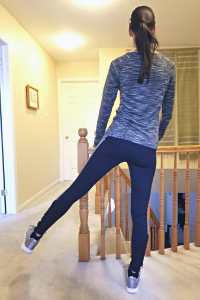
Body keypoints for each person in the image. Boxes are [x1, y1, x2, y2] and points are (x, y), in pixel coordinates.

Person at [21, 5, 176, 295]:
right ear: (154, 30)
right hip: (145, 149)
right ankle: (133, 275)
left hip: (116, 141)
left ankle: (35, 235)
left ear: (130, 32)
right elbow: (166, 113)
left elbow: (106, 108)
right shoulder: (168, 67)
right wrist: (153, 139)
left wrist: (97, 140)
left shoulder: (118, 64)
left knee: (76, 189)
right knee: (139, 213)